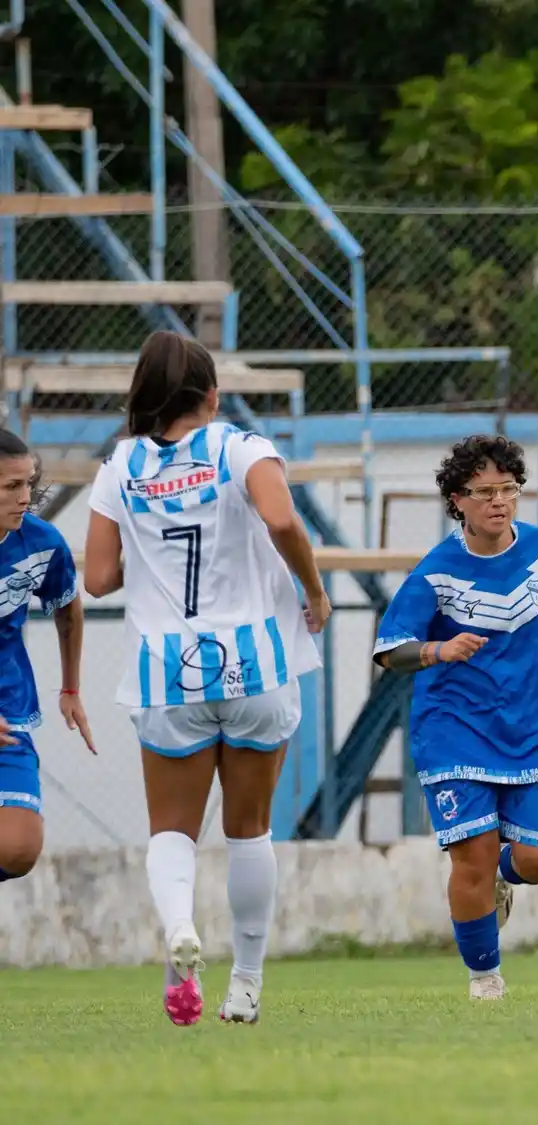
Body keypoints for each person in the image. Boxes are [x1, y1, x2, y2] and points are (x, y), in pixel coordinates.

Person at [84, 330, 330, 1026]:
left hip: (166, 669)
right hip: (254, 662)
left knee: (173, 832)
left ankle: (177, 935)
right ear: (212, 396)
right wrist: (312, 590)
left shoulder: (120, 466)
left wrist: (151, 548)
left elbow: (98, 578)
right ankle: (244, 984)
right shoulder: (238, 446)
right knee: (249, 829)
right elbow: (282, 517)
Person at [372, 435, 538, 1002]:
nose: (499, 501)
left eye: (509, 489)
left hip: (534, 724)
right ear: (457, 500)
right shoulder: (437, 571)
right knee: (468, 860)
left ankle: (503, 871)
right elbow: (388, 649)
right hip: (456, 728)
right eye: (485, 492)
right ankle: (485, 981)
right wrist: (438, 651)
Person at [0, 430, 95, 883]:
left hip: (9, 709)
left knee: (19, 849)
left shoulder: (42, 543)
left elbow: (68, 611)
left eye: (28, 484)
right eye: (11, 487)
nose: (25, 497)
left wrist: (71, 688)